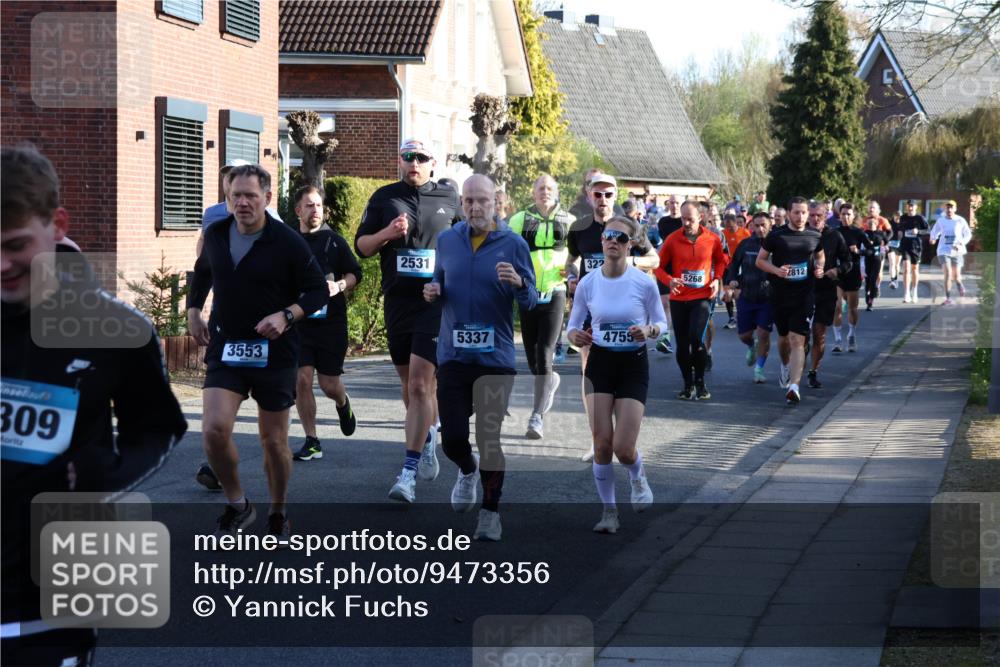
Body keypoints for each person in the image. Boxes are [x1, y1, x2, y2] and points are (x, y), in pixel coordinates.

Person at [2, 145, 187, 666]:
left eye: (16, 246)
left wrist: (102, 477)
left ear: (56, 225)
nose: (2, 264)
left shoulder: (118, 330)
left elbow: (159, 428)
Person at [188, 164, 327, 539]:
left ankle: (278, 511)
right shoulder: (217, 234)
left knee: (273, 441)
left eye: (251, 195)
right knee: (214, 430)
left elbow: (317, 291)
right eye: (236, 195)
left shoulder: (287, 242)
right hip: (227, 346)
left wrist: (287, 315)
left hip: (275, 353)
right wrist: (192, 311)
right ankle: (238, 504)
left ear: (267, 198)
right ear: (227, 198)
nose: (243, 202)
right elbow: (202, 272)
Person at [422, 174, 536, 541]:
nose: (474, 207)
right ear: (461, 204)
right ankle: (467, 470)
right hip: (454, 355)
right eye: (468, 201)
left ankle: (490, 512)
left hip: (496, 359)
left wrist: (519, 284)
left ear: (496, 203)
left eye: (481, 201)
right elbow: (439, 284)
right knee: (452, 440)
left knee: (489, 438)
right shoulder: (447, 240)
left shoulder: (514, 244)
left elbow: (532, 301)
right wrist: (433, 291)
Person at [354, 139, 461, 502]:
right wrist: (387, 233)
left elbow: (470, 245)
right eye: (407, 157)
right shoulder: (384, 197)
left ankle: (408, 473)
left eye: (421, 158)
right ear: (399, 161)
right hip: (398, 300)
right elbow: (363, 247)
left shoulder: (450, 201)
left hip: (436, 301)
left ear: (433, 162)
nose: (414, 163)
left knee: (419, 384)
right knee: (412, 385)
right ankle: (428, 433)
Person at [566, 216, 667, 534]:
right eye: (609, 236)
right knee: (601, 444)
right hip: (600, 364)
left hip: (632, 365)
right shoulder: (588, 283)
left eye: (621, 238)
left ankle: (637, 475)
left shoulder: (644, 282)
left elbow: (662, 323)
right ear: (602, 241)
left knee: (623, 447)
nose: (613, 241)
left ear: (631, 245)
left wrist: (649, 330)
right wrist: (574, 336)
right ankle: (609, 511)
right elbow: (573, 324)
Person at [567, 173, 658, 460]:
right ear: (588, 195)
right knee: (588, 370)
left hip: (622, 308)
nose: (602, 200)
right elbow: (571, 261)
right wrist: (571, 276)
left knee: (615, 367)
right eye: (597, 194)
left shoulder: (628, 227)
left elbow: (654, 259)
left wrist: (629, 260)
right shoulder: (578, 229)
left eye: (608, 194)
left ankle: (619, 432)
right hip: (592, 304)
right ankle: (597, 436)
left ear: (615, 195)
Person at [290, 185, 362, 461]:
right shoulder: (290, 242)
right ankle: (312, 440)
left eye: (318, 205)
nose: (315, 210)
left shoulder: (334, 241)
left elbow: (355, 272)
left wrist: (342, 284)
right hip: (300, 323)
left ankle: (343, 404)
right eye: (309, 205)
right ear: (298, 210)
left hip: (331, 323)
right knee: (302, 379)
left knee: (329, 384)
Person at [507, 174, 573, 439]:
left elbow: (576, 254)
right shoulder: (519, 219)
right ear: (533, 193)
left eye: (549, 188)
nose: (545, 192)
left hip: (556, 291)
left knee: (545, 352)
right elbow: (507, 250)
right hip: (528, 292)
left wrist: (574, 269)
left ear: (556, 193)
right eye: (540, 188)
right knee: (533, 356)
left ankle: (536, 417)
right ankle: (549, 382)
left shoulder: (569, 221)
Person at [654, 201, 728, 400]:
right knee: (682, 343)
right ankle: (687, 384)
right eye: (683, 219)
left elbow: (722, 260)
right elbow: (656, 266)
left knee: (696, 338)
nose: (686, 223)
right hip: (679, 298)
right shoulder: (673, 239)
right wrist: (669, 281)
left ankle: (701, 382)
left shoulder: (712, 239)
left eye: (690, 219)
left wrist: (716, 279)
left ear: (700, 217)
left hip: (702, 296)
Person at [755, 196, 825, 405]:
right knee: (784, 338)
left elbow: (820, 256)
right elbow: (760, 260)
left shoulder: (814, 235)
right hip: (779, 295)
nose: (801, 216)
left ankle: (794, 386)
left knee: (798, 340)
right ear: (788, 213)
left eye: (804, 212)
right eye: (797, 212)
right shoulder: (776, 236)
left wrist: (819, 268)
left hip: (804, 296)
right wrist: (777, 271)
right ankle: (785, 366)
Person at [725, 211, 774, 384]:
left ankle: (759, 369)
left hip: (768, 297)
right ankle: (751, 346)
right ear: (752, 226)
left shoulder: (777, 244)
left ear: (770, 225)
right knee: (744, 335)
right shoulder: (745, 244)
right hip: (746, 295)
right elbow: (733, 265)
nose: (760, 229)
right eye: (757, 225)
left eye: (764, 225)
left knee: (763, 333)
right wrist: (732, 280)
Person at [807, 202, 851, 389]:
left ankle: (813, 372)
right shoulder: (799, 236)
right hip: (801, 290)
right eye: (812, 215)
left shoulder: (834, 236)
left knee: (819, 334)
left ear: (826, 217)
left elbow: (848, 261)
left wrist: (837, 270)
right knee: (799, 337)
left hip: (825, 290)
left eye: (819, 215)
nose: (815, 219)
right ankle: (796, 363)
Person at [832, 203, 871, 353]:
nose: (846, 217)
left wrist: (859, 251)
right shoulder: (834, 232)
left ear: (853, 216)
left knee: (852, 309)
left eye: (849, 214)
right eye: (843, 214)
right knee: (837, 307)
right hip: (838, 273)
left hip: (853, 274)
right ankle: (837, 340)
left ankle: (851, 334)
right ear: (839, 215)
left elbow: (870, 251)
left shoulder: (859, 233)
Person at [654, 195, 684, 354]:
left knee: (679, 304)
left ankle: (686, 338)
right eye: (671, 203)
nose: (674, 205)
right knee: (665, 302)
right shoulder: (663, 222)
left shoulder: (685, 221)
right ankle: (665, 337)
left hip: (683, 266)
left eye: (677, 202)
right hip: (665, 265)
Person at [929, 200, 973, 305]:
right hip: (943, 250)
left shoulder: (960, 220)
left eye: (951, 207)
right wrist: (933, 238)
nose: (949, 209)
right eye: (947, 207)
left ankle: (959, 284)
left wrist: (961, 243)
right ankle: (948, 298)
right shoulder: (941, 220)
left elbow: (968, 235)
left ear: (955, 209)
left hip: (957, 251)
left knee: (956, 276)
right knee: (947, 273)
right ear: (945, 209)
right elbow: (935, 231)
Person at [722, 212, 751, 330]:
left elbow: (750, 248)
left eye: (731, 226)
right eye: (727, 226)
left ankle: (740, 316)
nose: (729, 229)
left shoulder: (745, 233)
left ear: (736, 223)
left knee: (738, 293)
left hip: (740, 266)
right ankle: (731, 318)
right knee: (727, 293)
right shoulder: (723, 233)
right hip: (727, 267)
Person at [897, 200, 929, 303]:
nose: (910, 207)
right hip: (905, 245)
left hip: (916, 247)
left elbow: (928, 230)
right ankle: (906, 293)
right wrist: (900, 234)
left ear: (916, 207)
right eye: (908, 205)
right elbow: (900, 229)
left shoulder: (920, 218)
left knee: (915, 269)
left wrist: (918, 231)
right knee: (906, 268)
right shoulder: (903, 218)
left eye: (912, 205)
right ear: (906, 207)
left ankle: (914, 292)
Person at [863, 212, 891, 311]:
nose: (870, 224)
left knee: (873, 279)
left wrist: (885, 247)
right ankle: (867, 295)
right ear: (866, 224)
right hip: (867, 258)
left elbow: (886, 243)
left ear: (876, 223)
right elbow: (860, 245)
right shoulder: (865, 233)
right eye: (869, 223)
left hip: (877, 258)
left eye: (872, 223)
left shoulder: (881, 233)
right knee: (868, 279)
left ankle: (871, 301)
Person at [862, 201, 893, 287]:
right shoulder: (865, 220)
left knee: (879, 270)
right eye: (870, 207)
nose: (871, 209)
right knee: (868, 269)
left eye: (873, 208)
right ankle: (870, 287)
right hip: (868, 248)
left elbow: (890, 232)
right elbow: (860, 232)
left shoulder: (882, 220)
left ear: (877, 210)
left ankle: (877, 286)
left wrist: (885, 241)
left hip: (880, 248)